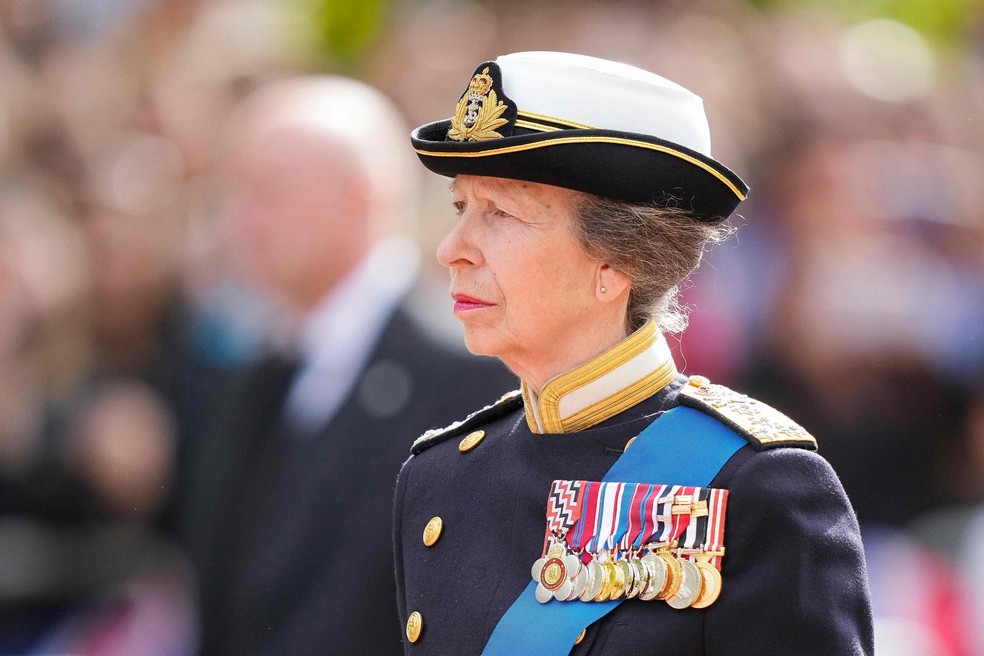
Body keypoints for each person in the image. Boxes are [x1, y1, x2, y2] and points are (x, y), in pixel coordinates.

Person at [393, 51, 874, 655]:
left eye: (501, 213)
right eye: (462, 206)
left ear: (619, 259)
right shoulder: (440, 474)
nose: (452, 249)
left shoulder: (756, 486)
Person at [176, 76, 515, 656]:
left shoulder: (467, 372)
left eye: (270, 191)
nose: (244, 220)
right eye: (235, 194)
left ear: (362, 196)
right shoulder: (255, 379)